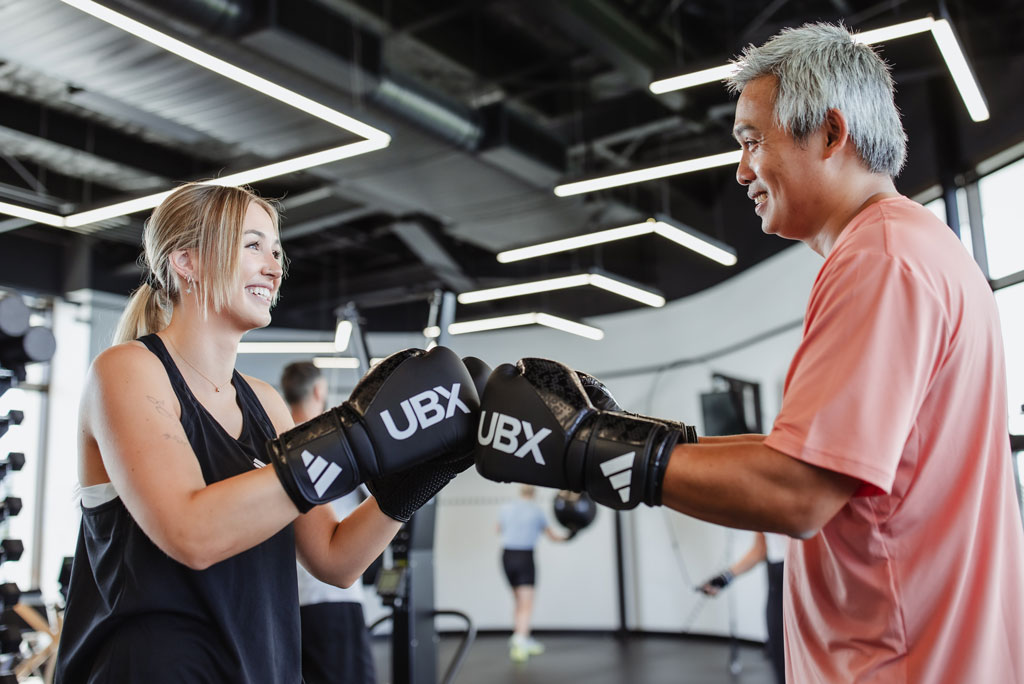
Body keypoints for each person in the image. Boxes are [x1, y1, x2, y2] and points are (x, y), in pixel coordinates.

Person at [474, 22, 1024, 683]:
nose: (740, 170)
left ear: (828, 132)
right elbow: (807, 462)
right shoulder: (917, 247)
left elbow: (796, 494)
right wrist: (629, 434)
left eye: (751, 140)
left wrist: (587, 448)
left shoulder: (880, 261)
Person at [55, 181, 485, 683]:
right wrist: (357, 435)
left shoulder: (265, 403)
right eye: (253, 245)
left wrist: (428, 470)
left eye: (277, 250)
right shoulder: (128, 371)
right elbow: (191, 533)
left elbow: (336, 559)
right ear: (186, 261)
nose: (275, 266)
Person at [280, 361, 375, 684]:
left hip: (287, 607)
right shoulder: (338, 445)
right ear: (319, 391)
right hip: (333, 599)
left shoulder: (271, 448)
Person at [698, 532, 787, 684]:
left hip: (808, 579)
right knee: (781, 662)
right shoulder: (763, 509)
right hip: (777, 584)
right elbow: (760, 550)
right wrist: (725, 578)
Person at [497, 484, 570, 662]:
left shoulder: (506, 508)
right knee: (526, 604)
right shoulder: (537, 512)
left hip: (506, 556)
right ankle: (520, 643)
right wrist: (571, 534)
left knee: (518, 601)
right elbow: (553, 537)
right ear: (534, 493)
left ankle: (522, 637)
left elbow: (498, 530)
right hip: (524, 557)